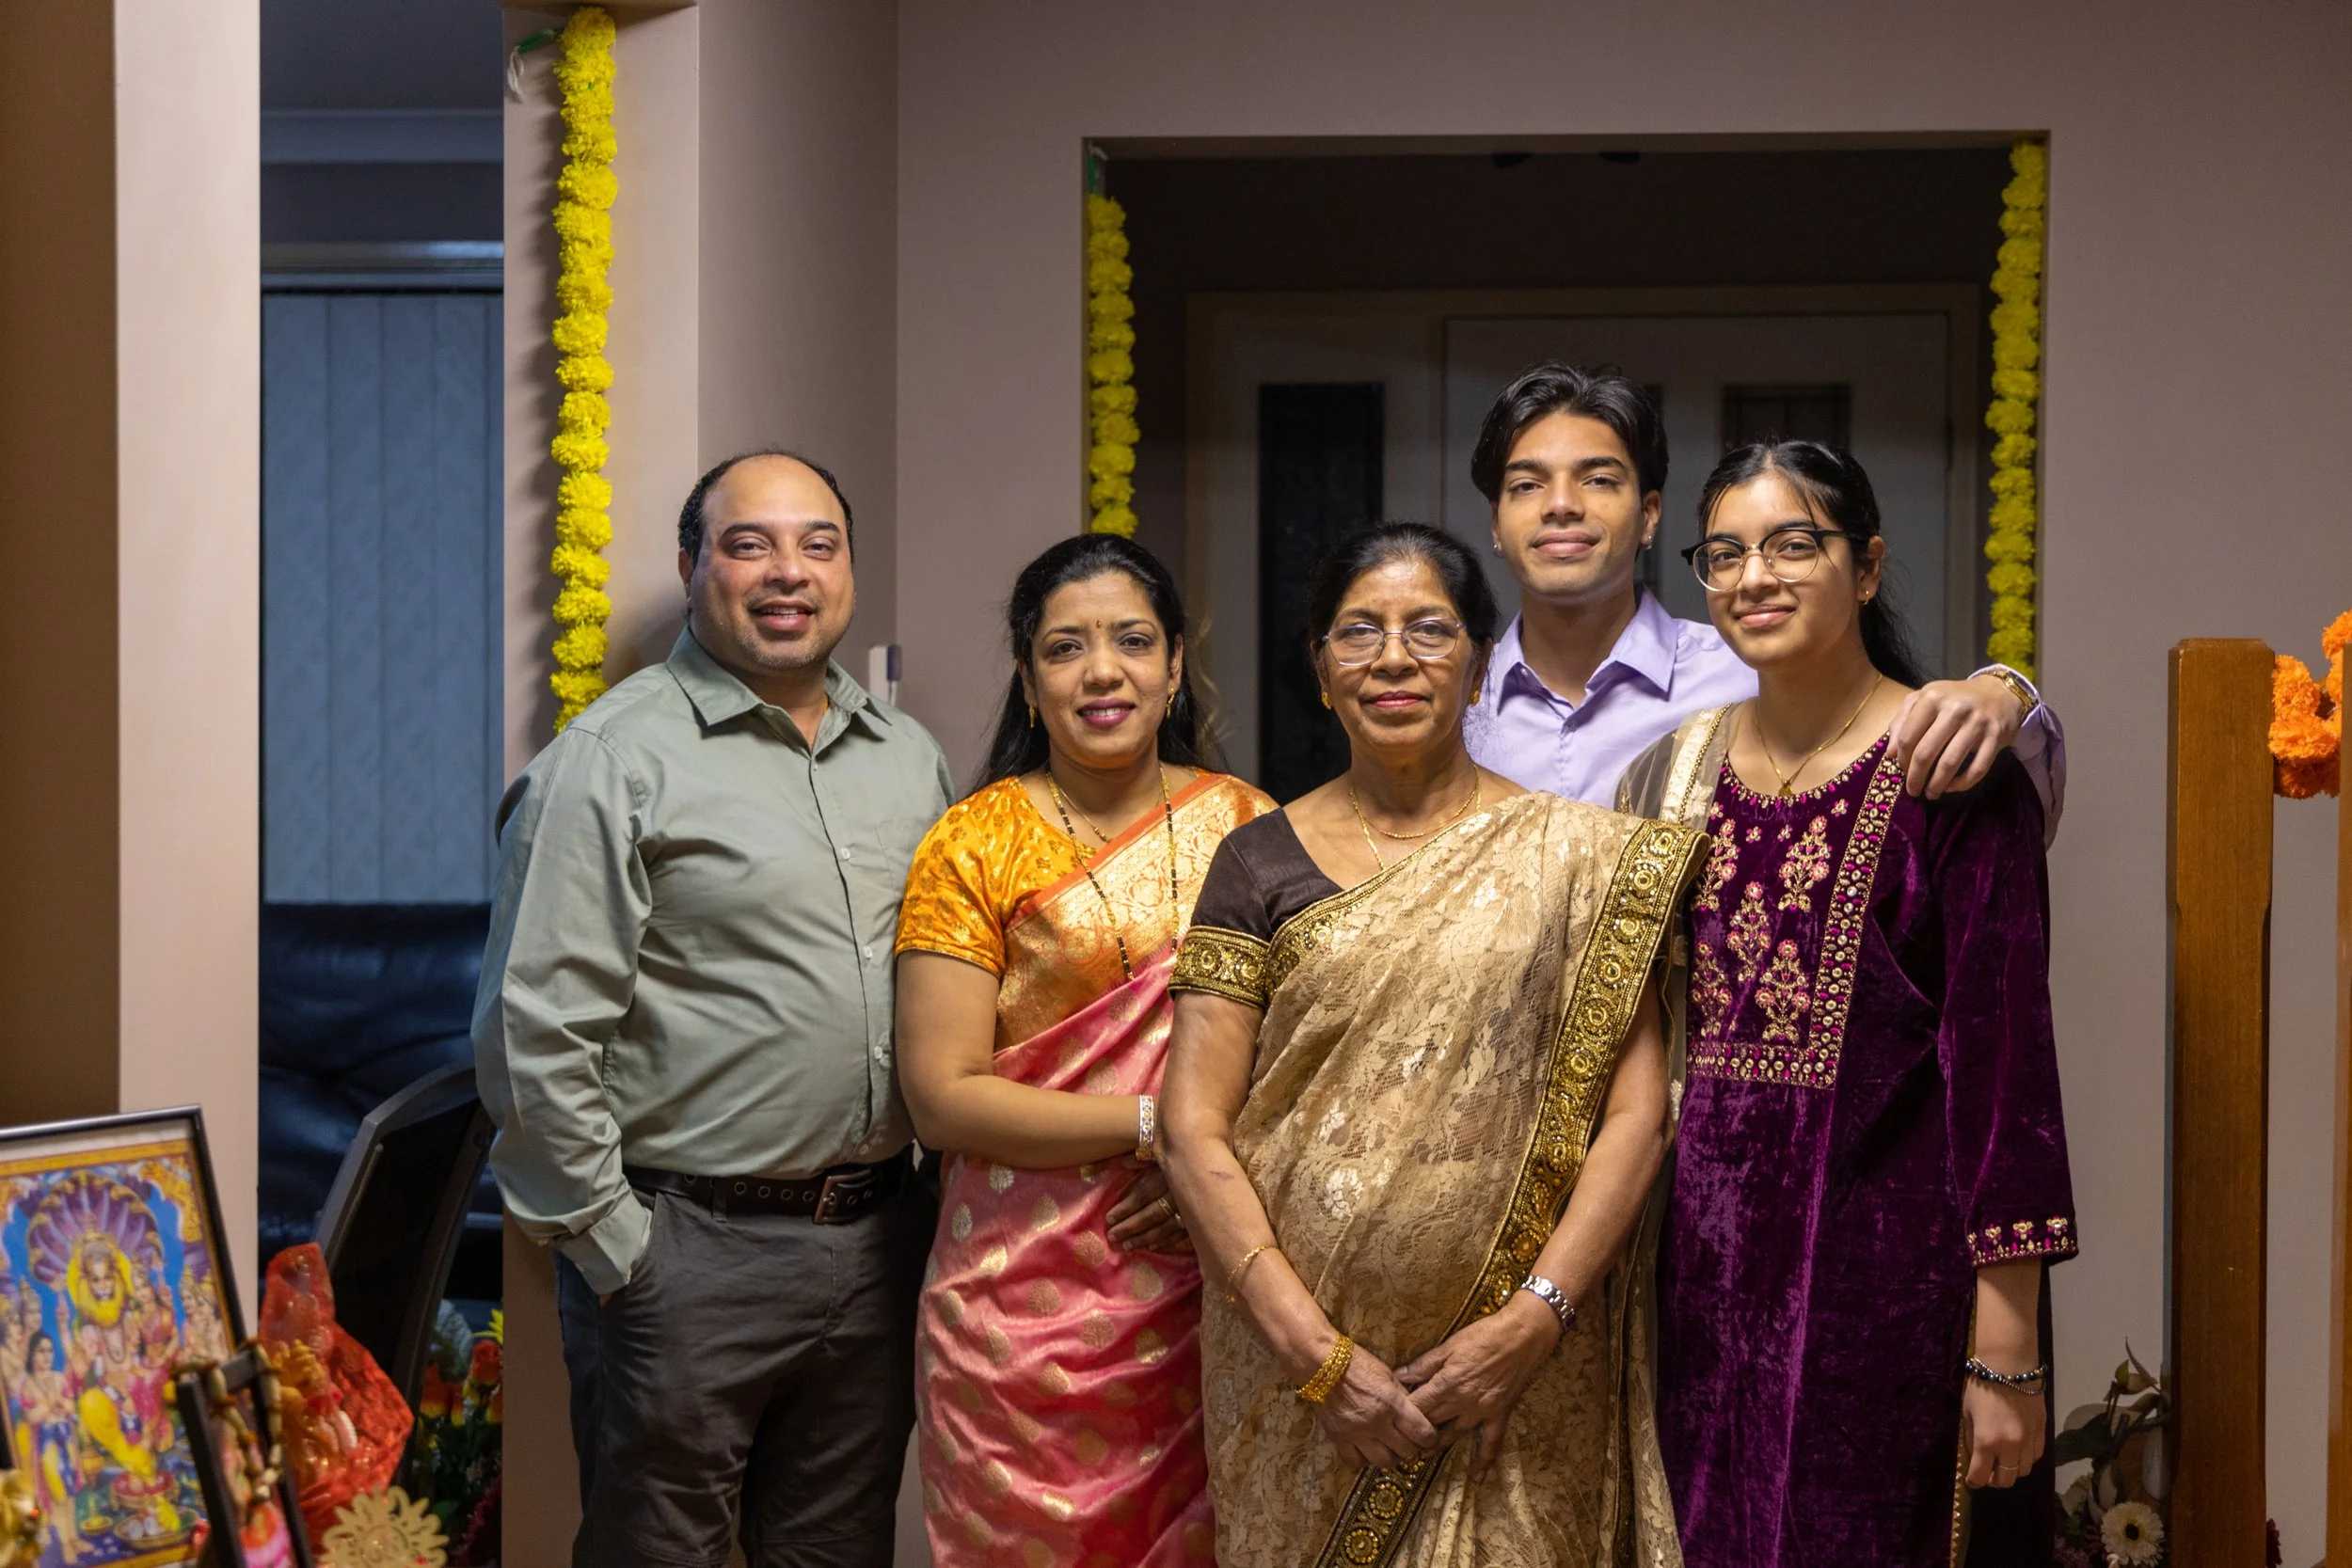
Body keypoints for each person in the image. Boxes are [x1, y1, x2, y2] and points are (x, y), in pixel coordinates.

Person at [1161, 524, 1708, 1567]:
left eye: (1427, 628)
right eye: (1357, 632)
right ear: (1321, 672)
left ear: (1477, 664)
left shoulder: (1580, 858)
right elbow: (1193, 1128)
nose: (1393, 656)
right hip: (1296, 1389)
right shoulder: (1255, 859)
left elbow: (1639, 1111)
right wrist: (1316, 1360)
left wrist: (1533, 1320)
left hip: (1526, 1376)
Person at [475, 450, 953, 1568]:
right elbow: (531, 1027)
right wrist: (619, 1247)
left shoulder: (909, 757)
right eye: (749, 543)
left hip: (880, 1243)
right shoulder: (611, 760)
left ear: (847, 569)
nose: (788, 571)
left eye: (817, 544)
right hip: (687, 1251)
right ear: (691, 566)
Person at [1618, 441, 2075, 1567]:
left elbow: (2005, 1063)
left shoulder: (1950, 769)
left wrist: (2005, 1346)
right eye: (1721, 554)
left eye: (1791, 545)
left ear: (1865, 567)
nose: (1750, 578)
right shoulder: (1669, 776)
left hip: (1892, 1286)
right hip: (1701, 1284)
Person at [895, 534, 1275, 1567]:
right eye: (1065, 647)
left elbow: (1303, 1066)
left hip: (1206, 1284)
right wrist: (1162, 1128)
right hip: (1014, 1310)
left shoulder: (1251, 831)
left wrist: (1207, 1167)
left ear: (1174, 664)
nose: (1101, 670)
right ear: (1028, 679)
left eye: (1131, 640)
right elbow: (940, 1096)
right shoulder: (969, 844)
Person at [1464, 361, 2064, 828]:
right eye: (1526, 484)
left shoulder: (1756, 670)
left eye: (1598, 479)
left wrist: (2008, 693)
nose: (1562, 504)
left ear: (1650, 515)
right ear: (1495, 521)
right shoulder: (1443, 696)